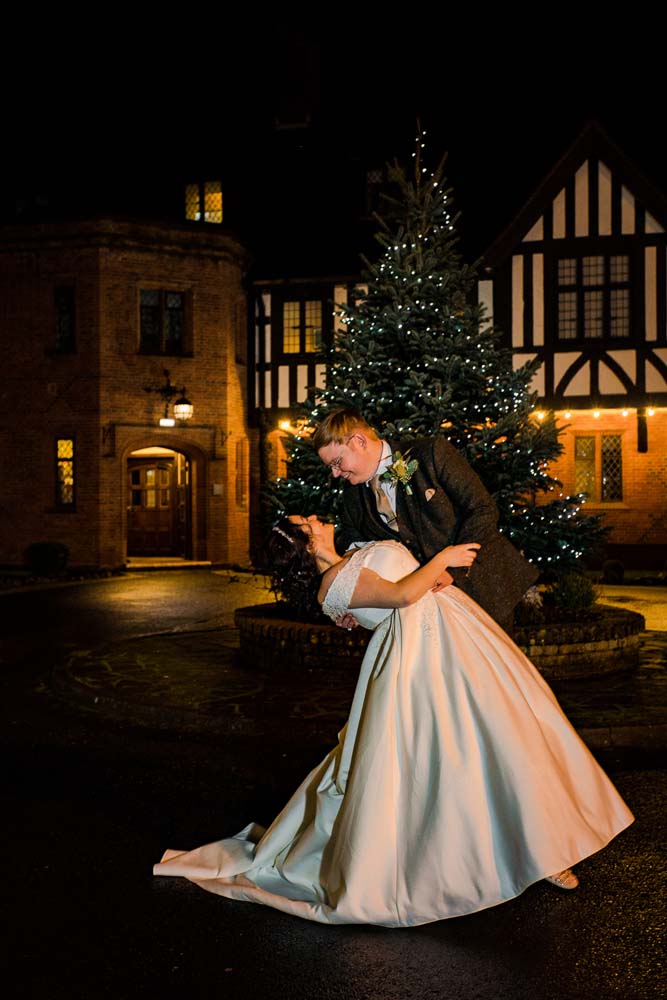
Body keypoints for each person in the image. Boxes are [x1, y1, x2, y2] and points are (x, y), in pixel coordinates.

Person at [153, 516, 633, 927]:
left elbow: (411, 587)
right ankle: (510, 854)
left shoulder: (354, 557)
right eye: (309, 523)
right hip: (422, 661)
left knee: (509, 738)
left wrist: (434, 578)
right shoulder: (335, 581)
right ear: (309, 543)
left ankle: (540, 844)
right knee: (461, 750)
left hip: (455, 641)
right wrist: (442, 559)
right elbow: (403, 594)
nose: (318, 517)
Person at [313, 408, 539, 633]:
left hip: (481, 588)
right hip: (424, 613)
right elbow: (358, 555)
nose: (335, 473)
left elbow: (482, 509)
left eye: (337, 462)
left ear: (359, 441)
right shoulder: (352, 496)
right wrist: (354, 606)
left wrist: (451, 569)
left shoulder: (431, 453)